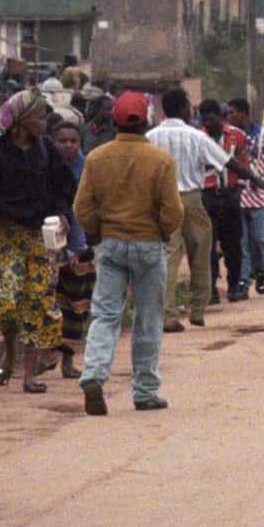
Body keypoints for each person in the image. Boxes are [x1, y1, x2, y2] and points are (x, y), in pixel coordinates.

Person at [0, 88, 78, 394]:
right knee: (7, 303)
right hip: (6, 237)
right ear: (23, 121)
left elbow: (65, 185)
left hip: (39, 238)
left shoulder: (47, 151)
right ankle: (9, 354)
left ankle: (29, 374)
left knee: (37, 302)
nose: (44, 122)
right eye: (39, 116)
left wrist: (63, 213)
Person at [73, 90, 183, 414]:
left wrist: (97, 231)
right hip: (149, 244)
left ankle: (94, 374)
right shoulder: (161, 160)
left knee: (105, 314)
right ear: (146, 121)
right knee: (148, 318)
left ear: (114, 120)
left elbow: (82, 207)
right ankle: (145, 391)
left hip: (111, 244)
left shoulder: (96, 158)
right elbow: (173, 210)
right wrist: (162, 233)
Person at [148, 87, 233, 330]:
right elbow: (227, 162)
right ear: (184, 108)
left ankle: (167, 314)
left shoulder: (151, 137)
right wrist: (257, 181)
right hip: (192, 199)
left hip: (163, 202)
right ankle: (198, 309)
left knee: (169, 256)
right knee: (201, 253)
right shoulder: (197, 136)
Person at [47, 120, 95, 376]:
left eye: (73, 141)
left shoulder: (88, 167)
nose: (68, 145)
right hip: (50, 248)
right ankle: (46, 356)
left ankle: (68, 360)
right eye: (62, 141)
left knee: (76, 307)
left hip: (80, 247)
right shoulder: (45, 167)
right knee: (49, 304)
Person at [201, 100, 248, 304]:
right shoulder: (198, 139)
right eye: (206, 120)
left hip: (230, 195)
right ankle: (210, 288)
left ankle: (234, 286)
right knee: (208, 245)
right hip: (208, 196)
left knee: (233, 244)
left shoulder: (237, 136)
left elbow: (244, 165)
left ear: (220, 118)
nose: (210, 123)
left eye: (214, 118)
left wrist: (239, 190)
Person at [229, 98, 264, 298]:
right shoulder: (230, 136)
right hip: (238, 194)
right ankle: (244, 282)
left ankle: (261, 270)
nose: (229, 117)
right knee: (242, 241)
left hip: (258, 195)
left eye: (232, 112)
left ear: (243, 113)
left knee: (258, 239)